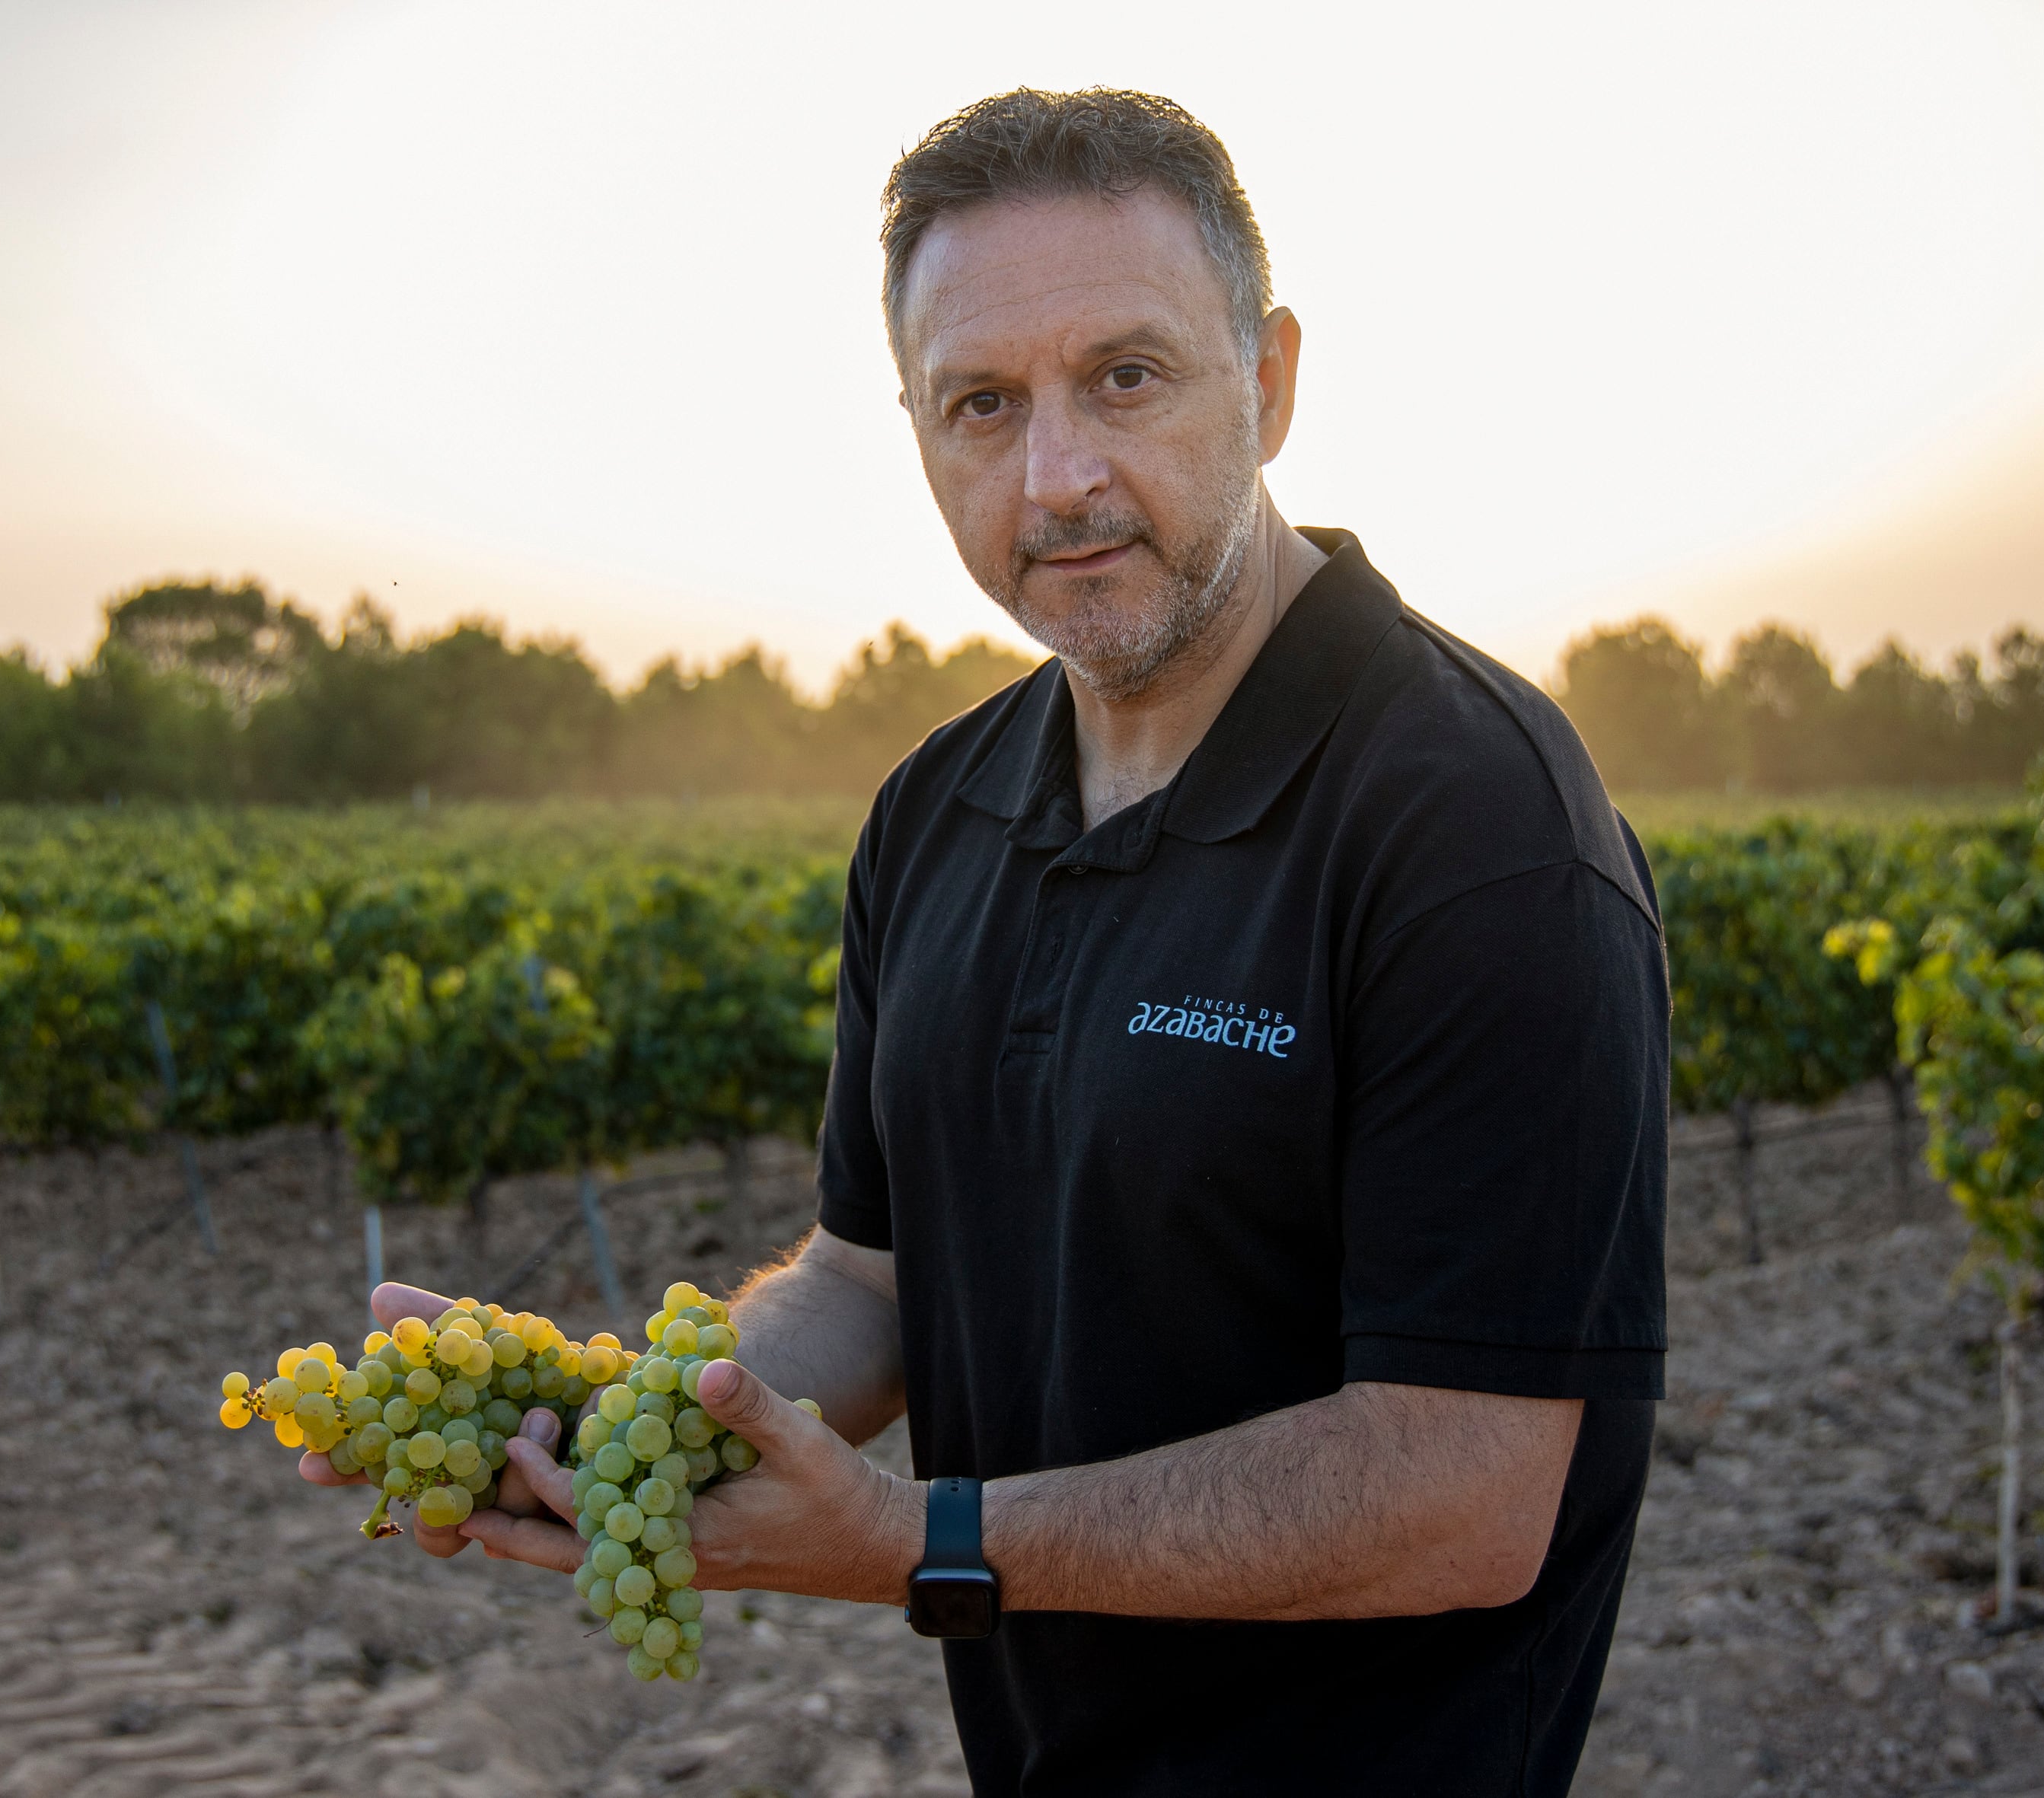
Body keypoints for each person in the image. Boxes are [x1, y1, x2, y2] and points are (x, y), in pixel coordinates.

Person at [311, 87, 1668, 1796]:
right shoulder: (932, 810)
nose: (1057, 476)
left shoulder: (1472, 828)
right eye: (980, 404)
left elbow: (1460, 1491)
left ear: (1270, 379)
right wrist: (634, 1424)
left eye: (1125, 374)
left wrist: (914, 1539)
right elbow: (868, 1281)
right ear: (913, 430)